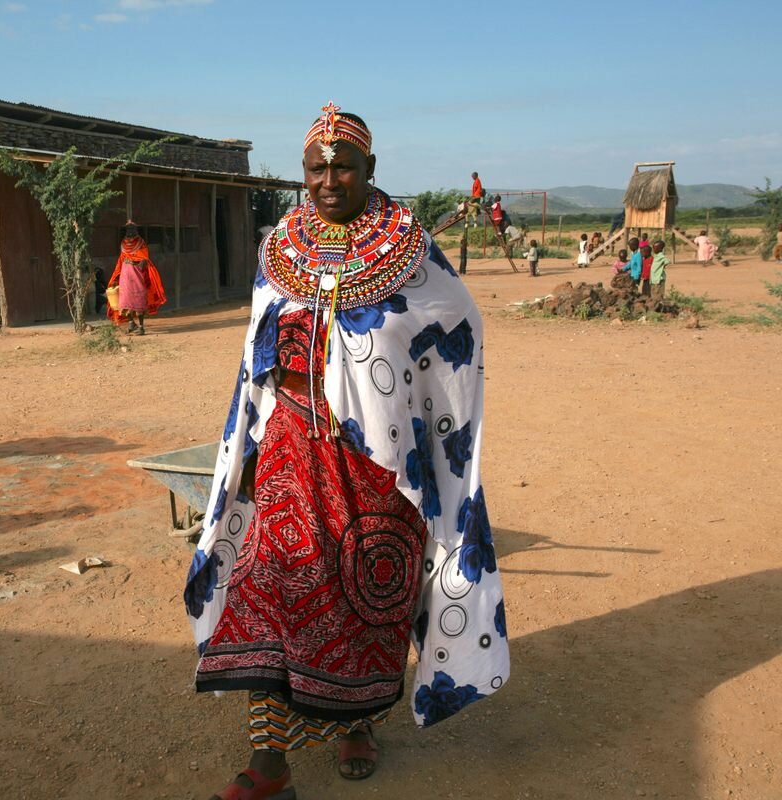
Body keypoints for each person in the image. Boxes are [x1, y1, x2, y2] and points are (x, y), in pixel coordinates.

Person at [185, 103, 509, 800]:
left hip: (375, 466)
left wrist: (419, 421)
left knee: (367, 599)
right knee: (270, 592)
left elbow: (457, 330)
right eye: (316, 168)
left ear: (370, 169)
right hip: (288, 456)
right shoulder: (279, 251)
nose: (329, 179)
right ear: (303, 173)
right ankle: (268, 767)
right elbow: (255, 348)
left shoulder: (411, 252)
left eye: (344, 166)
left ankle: (358, 720)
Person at [105, 222, 166, 335]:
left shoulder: (141, 243)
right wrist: (116, 277)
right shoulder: (123, 244)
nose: (130, 232)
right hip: (125, 276)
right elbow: (121, 261)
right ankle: (131, 324)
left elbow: (144, 260)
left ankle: (141, 327)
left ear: (136, 230)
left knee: (138, 301)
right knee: (125, 301)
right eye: (128, 229)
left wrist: (134, 262)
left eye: (132, 229)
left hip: (136, 275)